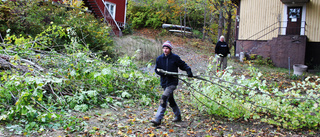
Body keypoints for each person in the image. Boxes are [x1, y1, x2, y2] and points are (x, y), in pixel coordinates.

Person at [151, 40, 193, 126]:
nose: (165, 50)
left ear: (170, 49)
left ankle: (158, 118)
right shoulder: (159, 58)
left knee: (164, 97)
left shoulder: (175, 58)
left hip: (172, 82)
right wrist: (162, 73)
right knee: (170, 99)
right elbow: (156, 69)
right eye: (164, 48)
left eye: (167, 48)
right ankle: (178, 116)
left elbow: (183, 65)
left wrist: (188, 70)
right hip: (164, 82)